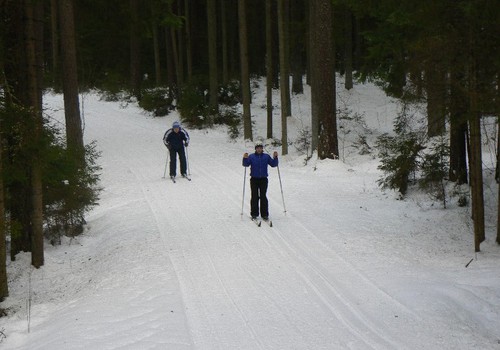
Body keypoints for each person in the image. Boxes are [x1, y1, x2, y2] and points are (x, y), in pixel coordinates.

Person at [242, 142, 278, 220]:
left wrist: (275, 157)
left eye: (260, 148)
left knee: (263, 196)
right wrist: (245, 158)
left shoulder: (266, 156)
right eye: (257, 148)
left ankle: (264, 214)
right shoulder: (251, 156)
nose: (259, 149)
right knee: (254, 196)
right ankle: (254, 214)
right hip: (254, 179)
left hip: (263, 179)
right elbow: (245, 164)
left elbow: (273, 164)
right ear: (255, 149)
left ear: (262, 149)